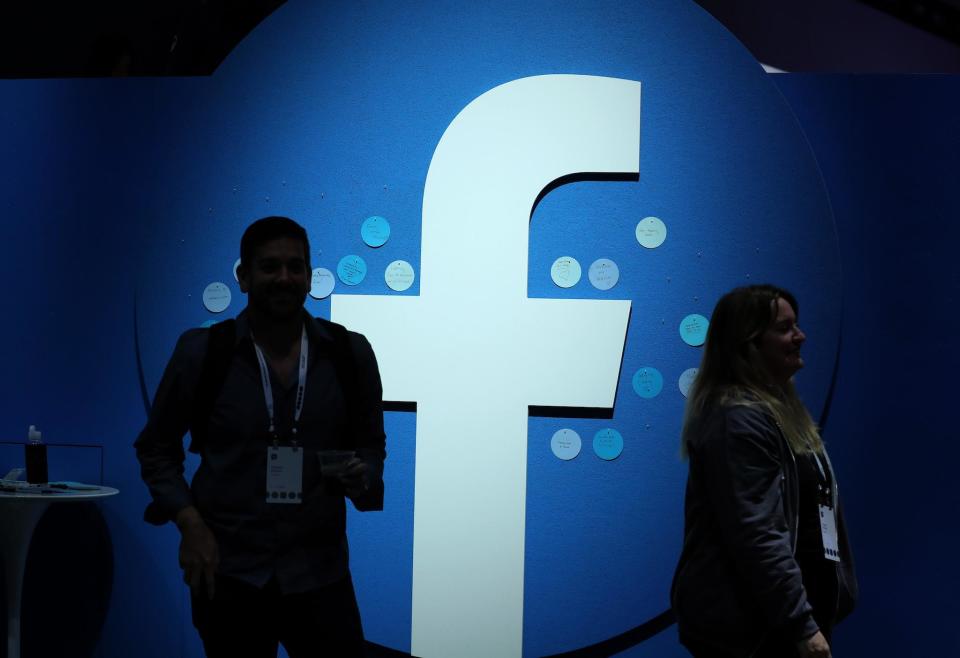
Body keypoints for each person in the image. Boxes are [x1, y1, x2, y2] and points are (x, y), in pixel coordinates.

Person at [135, 216, 386, 657]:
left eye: (295, 266)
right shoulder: (202, 352)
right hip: (229, 571)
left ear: (309, 276)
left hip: (320, 573)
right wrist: (189, 523)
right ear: (244, 277)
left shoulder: (350, 353)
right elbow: (156, 448)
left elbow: (371, 443)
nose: (284, 278)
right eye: (269, 267)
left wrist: (363, 474)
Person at [671, 284, 857, 658]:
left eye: (797, 325)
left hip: (781, 624)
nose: (800, 336)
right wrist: (801, 625)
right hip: (756, 634)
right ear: (750, 345)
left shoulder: (777, 413)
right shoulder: (738, 422)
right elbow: (759, 535)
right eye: (785, 328)